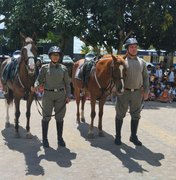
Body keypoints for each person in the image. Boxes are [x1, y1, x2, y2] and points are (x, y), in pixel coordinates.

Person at [31, 46, 71, 148]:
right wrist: (35, 86)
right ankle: (45, 139)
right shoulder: (44, 68)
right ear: (50, 56)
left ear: (59, 56)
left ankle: (60, 139)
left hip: (60, 96)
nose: (55, 57)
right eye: (53, 55)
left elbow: (67, 84)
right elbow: (38, 80)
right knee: (46, 118)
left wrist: (68, 95)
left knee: (59, 118)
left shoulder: (64, 68)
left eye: (57, 55)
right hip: (48, 95)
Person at [114, 38, 149, 146]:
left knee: (136, 115)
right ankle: (118, 136)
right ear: (127, 49)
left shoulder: (142, 62)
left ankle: (133, 136)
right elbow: (116, 75)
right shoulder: (123, 61)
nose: (134, 49)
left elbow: (146, 77)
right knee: (120, 114)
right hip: (124, 92)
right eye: (131, 47)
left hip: (137, 92)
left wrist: (146, 91)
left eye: (135, 47)